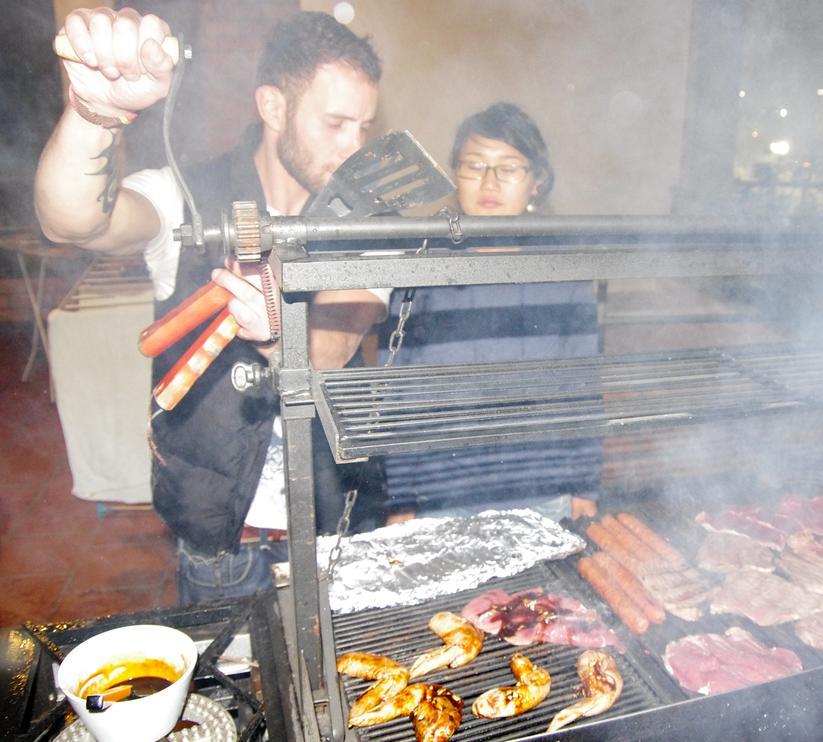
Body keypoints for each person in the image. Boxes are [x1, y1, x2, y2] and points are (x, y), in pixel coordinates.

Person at [35, 8, 389, 604]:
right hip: (220, 539)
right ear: (273, 107)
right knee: (230, 691)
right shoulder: (185, 196)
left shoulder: (368, 221)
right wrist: (93, 115)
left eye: (365, 127)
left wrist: (275, 330)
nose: (355, 149)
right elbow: (71, 219)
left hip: (332, 528)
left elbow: (333, 347)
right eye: (335, 123)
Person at [380, 102, 601, 523]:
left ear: (536, 182)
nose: (490, 181)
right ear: (454, 175)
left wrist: (584, 486)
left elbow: (582, 386)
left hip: (541, 486)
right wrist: (400, 499)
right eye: (475, 165)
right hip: (442, 492)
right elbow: (399, 392)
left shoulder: (566, 272)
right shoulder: (422, 268)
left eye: (509, 168)